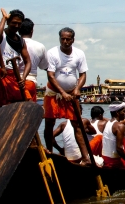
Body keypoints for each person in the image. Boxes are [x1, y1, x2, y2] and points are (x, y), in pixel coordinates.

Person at [43, 27, 90, 165]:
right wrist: (62, 93)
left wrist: (77, 89)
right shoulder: (52, 53)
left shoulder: (79, 54)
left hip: (71, 94)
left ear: (73, 40)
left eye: (68, 39)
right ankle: (49, 152)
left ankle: (86, 157)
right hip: (54, 93)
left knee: (78, 124)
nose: (65, 41)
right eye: (62, 39)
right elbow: (50, 76)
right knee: (49, 123)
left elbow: (83, 74)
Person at [0, 9, 32, 108]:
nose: (16, 26)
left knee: (22, 101)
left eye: (19, 24)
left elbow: (28, 62)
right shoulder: (2, 36)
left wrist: (23, 78)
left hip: (14, 76)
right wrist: (3, 18)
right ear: (8, 22)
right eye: (14, 23)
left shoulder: (21, 41)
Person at [101, 102, 125, 172]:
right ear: (117, 113)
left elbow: (113, 134)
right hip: (114, 162)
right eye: (124, 111)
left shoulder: (107, 123)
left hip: (105, 158)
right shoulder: (120, 126)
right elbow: (119, 149)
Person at [20, 18, 49, 103]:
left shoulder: (13, 43)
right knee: (30, 111)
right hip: (30, 81)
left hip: (14, 82)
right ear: (32, 31)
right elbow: (45, 67)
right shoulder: (40, 46)